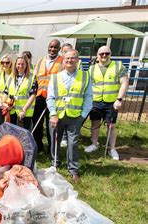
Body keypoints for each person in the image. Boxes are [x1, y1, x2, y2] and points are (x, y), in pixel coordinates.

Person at [47, 49, 93, 182]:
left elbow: (89, 97)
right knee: (55, 140)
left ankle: (73, 169)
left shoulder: (85, 77)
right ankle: (55, 163)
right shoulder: (55, 77)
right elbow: (50, 97)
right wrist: (53, 114)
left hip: (75, 116)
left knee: (72, 143)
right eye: (67, 58)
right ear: (63, 60)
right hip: (58, 116)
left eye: (73, 58)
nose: (69, 61)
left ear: (77, 60)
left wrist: (83, 115)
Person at [84, 46, 128, 160]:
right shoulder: (92, 68)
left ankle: (112, 148)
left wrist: (119, 99)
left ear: (110, 54)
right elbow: (88, 85)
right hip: (96, 100)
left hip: (112, 101)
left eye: (106, 53)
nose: (104, 55)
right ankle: (94, 144)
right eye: (101, 54)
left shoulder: (118, 66)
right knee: (95, 123)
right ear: (97, 55)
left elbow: (124, 83)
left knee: (111, 125)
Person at [33, 39, 64, 154]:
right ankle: (38, 147)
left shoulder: (63, 62)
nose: (52, 49)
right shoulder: (41, 60)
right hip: (39, 97)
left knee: (52, 125)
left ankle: (52, 151)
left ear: (59, 49)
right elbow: (35, 78)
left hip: (54, 98)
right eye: (51, 47)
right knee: (37, 123)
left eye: (55, 47)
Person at [6, 55, 37, 130]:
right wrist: (5, 104)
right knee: (12, 134)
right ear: (15, 64)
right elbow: (5, 92)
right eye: (18, 64)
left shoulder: (32, 77)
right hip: (12, 111)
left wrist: (24, 109)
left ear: (26, 65)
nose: (20, 66)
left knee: (22, 136)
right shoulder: (11, 77)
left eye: (23, 64)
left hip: (25, 112)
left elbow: (33, 95)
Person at [0, 54, 13, 125]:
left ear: (11, 63)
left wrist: (10, 105)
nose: (5, 64)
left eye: (7, 62)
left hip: (11, 105)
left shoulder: (14, 75)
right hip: (1, 103)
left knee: (10, 125)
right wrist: (0, 102)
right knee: (1, 124)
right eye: (3, 62)